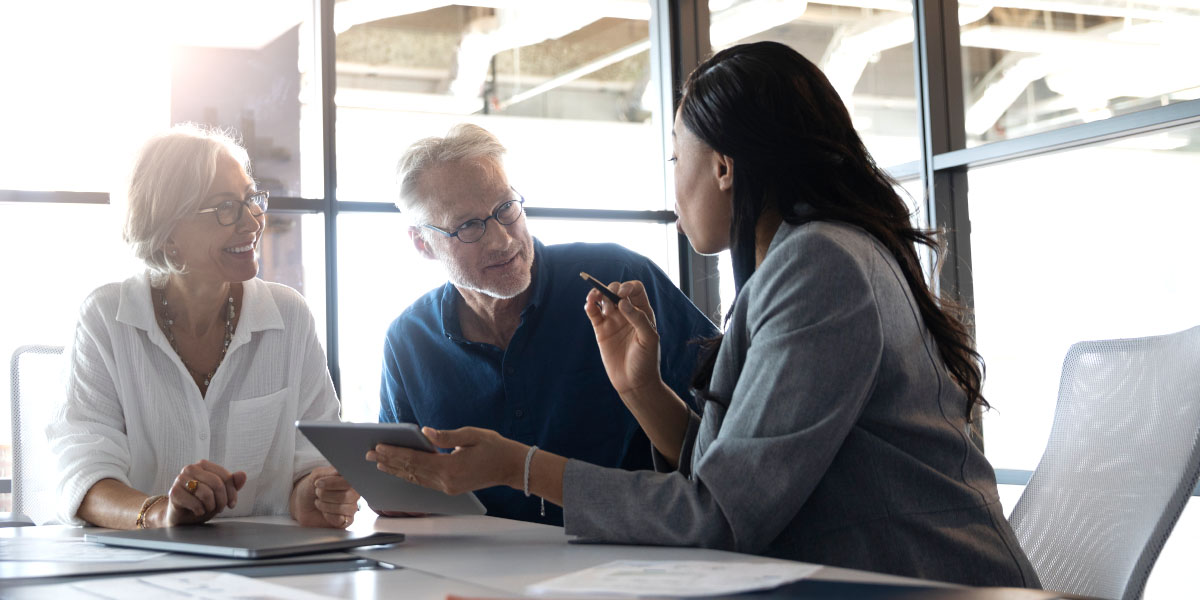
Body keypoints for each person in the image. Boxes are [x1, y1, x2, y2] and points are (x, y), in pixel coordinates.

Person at [366, 42, 1041, 587]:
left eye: (675, 158)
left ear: (722, 167)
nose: (673, 183)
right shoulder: (809, 258)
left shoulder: (820, 268)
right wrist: (642, 390)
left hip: (913, 582)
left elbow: (717, 514)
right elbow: (735, 473)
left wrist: (519, 466)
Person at [378, 123, 717, 525]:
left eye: (506, 208)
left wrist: (647, 391)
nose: (503, 240)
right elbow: (398, 484)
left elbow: (725, 440)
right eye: (468, 226)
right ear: (422, 243)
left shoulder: (618, 279)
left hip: (638, 551)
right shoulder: (407, 340)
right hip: (483, 571)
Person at [47, 124, 360, 530]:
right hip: (135, 571)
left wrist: (316, 495)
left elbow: (312, 462)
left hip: (267, 572)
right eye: (226, 208)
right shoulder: (105, 318)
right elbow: (83, 475)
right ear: (167, 231)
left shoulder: (290, 315)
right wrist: (162, 513)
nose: (252, 222)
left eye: (251, 199)